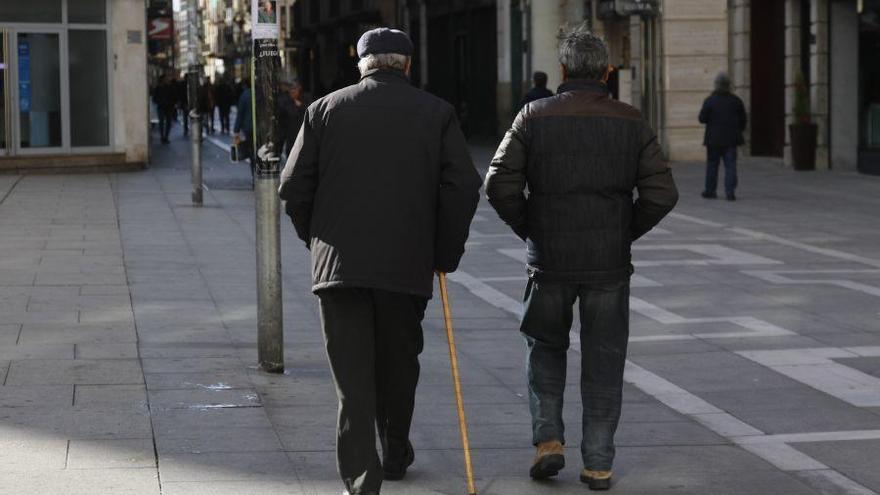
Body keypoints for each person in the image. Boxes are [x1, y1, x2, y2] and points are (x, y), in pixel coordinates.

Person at [278, 27, 481, 495]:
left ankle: (362, 480)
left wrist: (317, 240)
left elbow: (293, 188)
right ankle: (394, 450)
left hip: (339, 269)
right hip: (405, 265)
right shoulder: (437, 113)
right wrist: (443, 253)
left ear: (361, 64)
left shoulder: (324, 110)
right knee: (398, 364)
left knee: (352, 377)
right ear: (406, 65)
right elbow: (464, 187)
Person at [485, 27, 678, 491]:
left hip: (549, 260)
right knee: (605, 359)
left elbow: (498, 184)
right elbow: (661, 192)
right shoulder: (630, 120)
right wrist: (624, 230)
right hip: (608, 264)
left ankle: (548, 439)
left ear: (564, 71)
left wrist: (530, 226)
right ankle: (598, 463)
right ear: (607, 73)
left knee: (544, 348)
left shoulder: (533, 115)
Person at [698, 71, 746, 201]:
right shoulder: (736, 101)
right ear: (729, 85)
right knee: (730, 165)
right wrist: (739, 130)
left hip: (713, 139)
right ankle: (730, 192)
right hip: (731, 139)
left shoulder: (710, 100)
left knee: (712, 165)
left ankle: (710, 190)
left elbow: (702, 118)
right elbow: (743, 120)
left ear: (716, 85)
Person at [276, 80, 306, 156]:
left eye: (294, 90)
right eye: (291, 90)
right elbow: (282, 121)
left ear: (299, 90)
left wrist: (301, 106)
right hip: (290, 137)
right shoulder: (285, 103)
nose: (292, 92)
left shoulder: (304, 100)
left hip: (302, 136)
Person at [233, 78, 254, 179]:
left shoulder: (245, 95)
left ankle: (255, 176)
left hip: (249, 128)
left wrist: (236, 131)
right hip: (261, 129)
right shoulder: (262, 93)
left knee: (252, 153)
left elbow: (240, 113)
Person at [152, 74, 177, 144]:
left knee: (168, 122)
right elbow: (154, 98)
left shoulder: (170, 87)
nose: (167, 80)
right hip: (161, 107)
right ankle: (163, 137)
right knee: (162, 122)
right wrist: (160, 102)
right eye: (165, 79)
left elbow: (174, 96)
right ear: (162, 80)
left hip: (168, 107)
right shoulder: (158, 88)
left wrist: (172, 103)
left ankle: (165, 137)